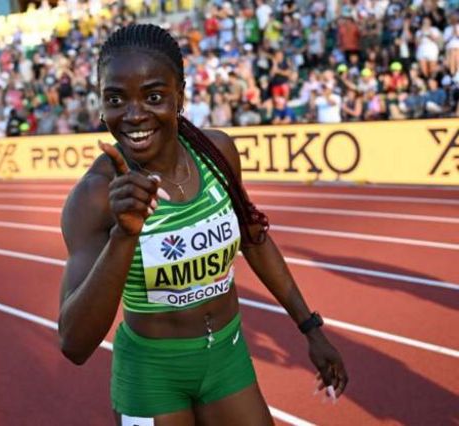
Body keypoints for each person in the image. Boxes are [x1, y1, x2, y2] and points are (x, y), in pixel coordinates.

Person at [58, 24, 348, 425]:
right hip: (151, 373)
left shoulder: (217, 152)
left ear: (181, 96)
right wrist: (124, 235)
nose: (134, 114)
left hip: (226, 355)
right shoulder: (95, 196)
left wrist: (310, 327)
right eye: (116, 99)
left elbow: (255, 239)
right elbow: (74, 343)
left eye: (154, 96)